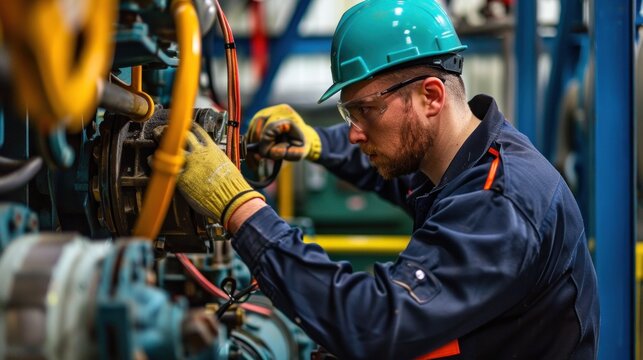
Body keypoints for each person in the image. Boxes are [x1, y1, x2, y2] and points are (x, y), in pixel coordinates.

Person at [176, 0, 599, 358]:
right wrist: (316, 143)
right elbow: (402, 178)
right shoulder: (464, 163)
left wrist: (242, 211)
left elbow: (372, 324)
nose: (355, 132)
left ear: (430, 96)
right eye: (348, 114)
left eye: (365, 111)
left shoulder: (500, 202)